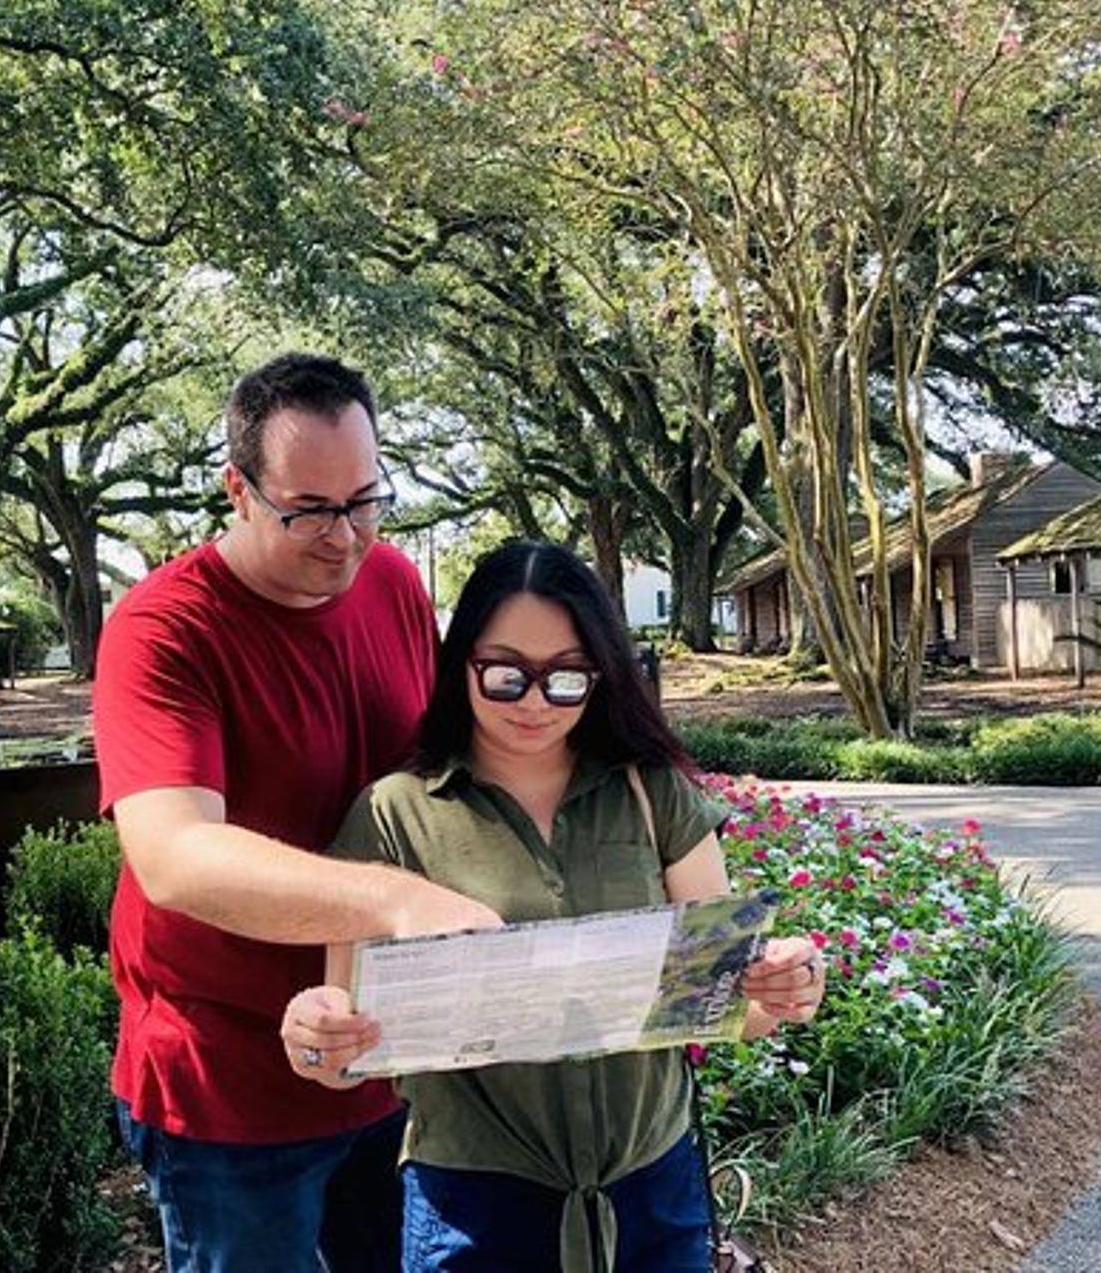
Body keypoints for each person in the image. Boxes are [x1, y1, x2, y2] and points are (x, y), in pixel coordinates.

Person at [280, 542, 826, 1272]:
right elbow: (343, 1052)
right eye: (506, 674)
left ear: (600, 674)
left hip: (653, 1194)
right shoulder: (394, 814)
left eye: (566, 678)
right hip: (473, 1208)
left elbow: (725, 1002)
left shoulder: (650, 791)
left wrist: (784, 989)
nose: (535, 702)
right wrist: (316, 1036)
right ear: (461, 662)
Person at [92, 352, 501, 1273]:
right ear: (238, 490)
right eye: (309, 509)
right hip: (229, 1093)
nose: (345, 536)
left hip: (384, 1057)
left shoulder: (393, 582)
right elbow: (175, 856)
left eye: (365, 500)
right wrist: (398, 903)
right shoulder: (163, 629)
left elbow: (442, 774)